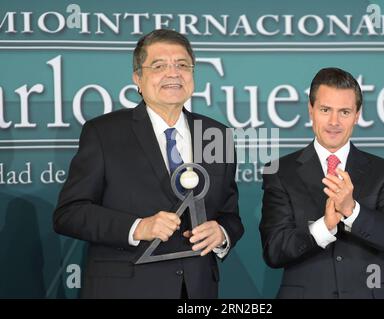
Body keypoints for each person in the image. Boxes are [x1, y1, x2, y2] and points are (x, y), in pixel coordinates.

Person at [54, 29, 244, 299]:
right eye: (158, 66)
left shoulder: (216, 135)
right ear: (138, 79)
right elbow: (69, 214)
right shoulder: (104, 133)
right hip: (126, 289)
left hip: (197, 290)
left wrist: (222, 233)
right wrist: (137, 227)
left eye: (182, 65)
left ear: (192, 75)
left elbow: (230, 214)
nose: (173, 73)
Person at [259, 67, 384, 299]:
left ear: (357, 115)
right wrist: (324, 227)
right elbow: (274, 250)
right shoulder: (280, 172)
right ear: (311, 110)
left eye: (344, 112)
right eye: (325, 110)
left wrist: (352, 211)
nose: (334, 121)